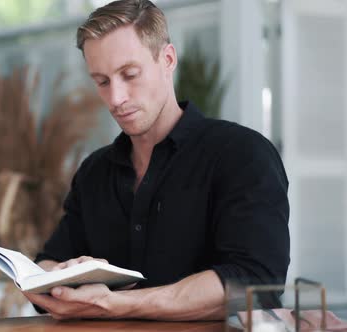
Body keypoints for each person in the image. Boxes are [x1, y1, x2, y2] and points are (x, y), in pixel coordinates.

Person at [23, 0, 289, 321]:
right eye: (102, 81)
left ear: (167, 59)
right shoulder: (95, 171)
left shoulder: (242, 155)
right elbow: (48, 261)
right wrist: (55, 277)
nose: (116, 98)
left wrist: (116, 304)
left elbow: (254, 282)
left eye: (129, 74)